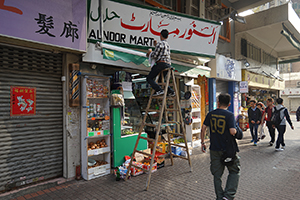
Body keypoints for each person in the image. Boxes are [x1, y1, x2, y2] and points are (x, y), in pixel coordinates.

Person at [201, 93, 240, 200]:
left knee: (217, 175)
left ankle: (219, 196)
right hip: (228, 149)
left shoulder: (211, 114)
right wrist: (237, 130)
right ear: (229, 103)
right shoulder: (229, 115)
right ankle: (228, 196)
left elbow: (203, 128)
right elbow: (233, 131)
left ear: (218, 102)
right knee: (234, 171)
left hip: (214, 148)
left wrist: (202, 142)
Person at [146, 29, 175, 97]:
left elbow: (155, 55)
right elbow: (162, 51)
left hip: (161, 64)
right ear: (167, 37)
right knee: (160, 81)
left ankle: (159, 90)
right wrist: (156, 46)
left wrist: (150, 53)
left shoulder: (160, 43)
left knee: (149, 78)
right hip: (168, 65)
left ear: (160, 35)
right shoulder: (168, 45)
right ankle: (171, 91)